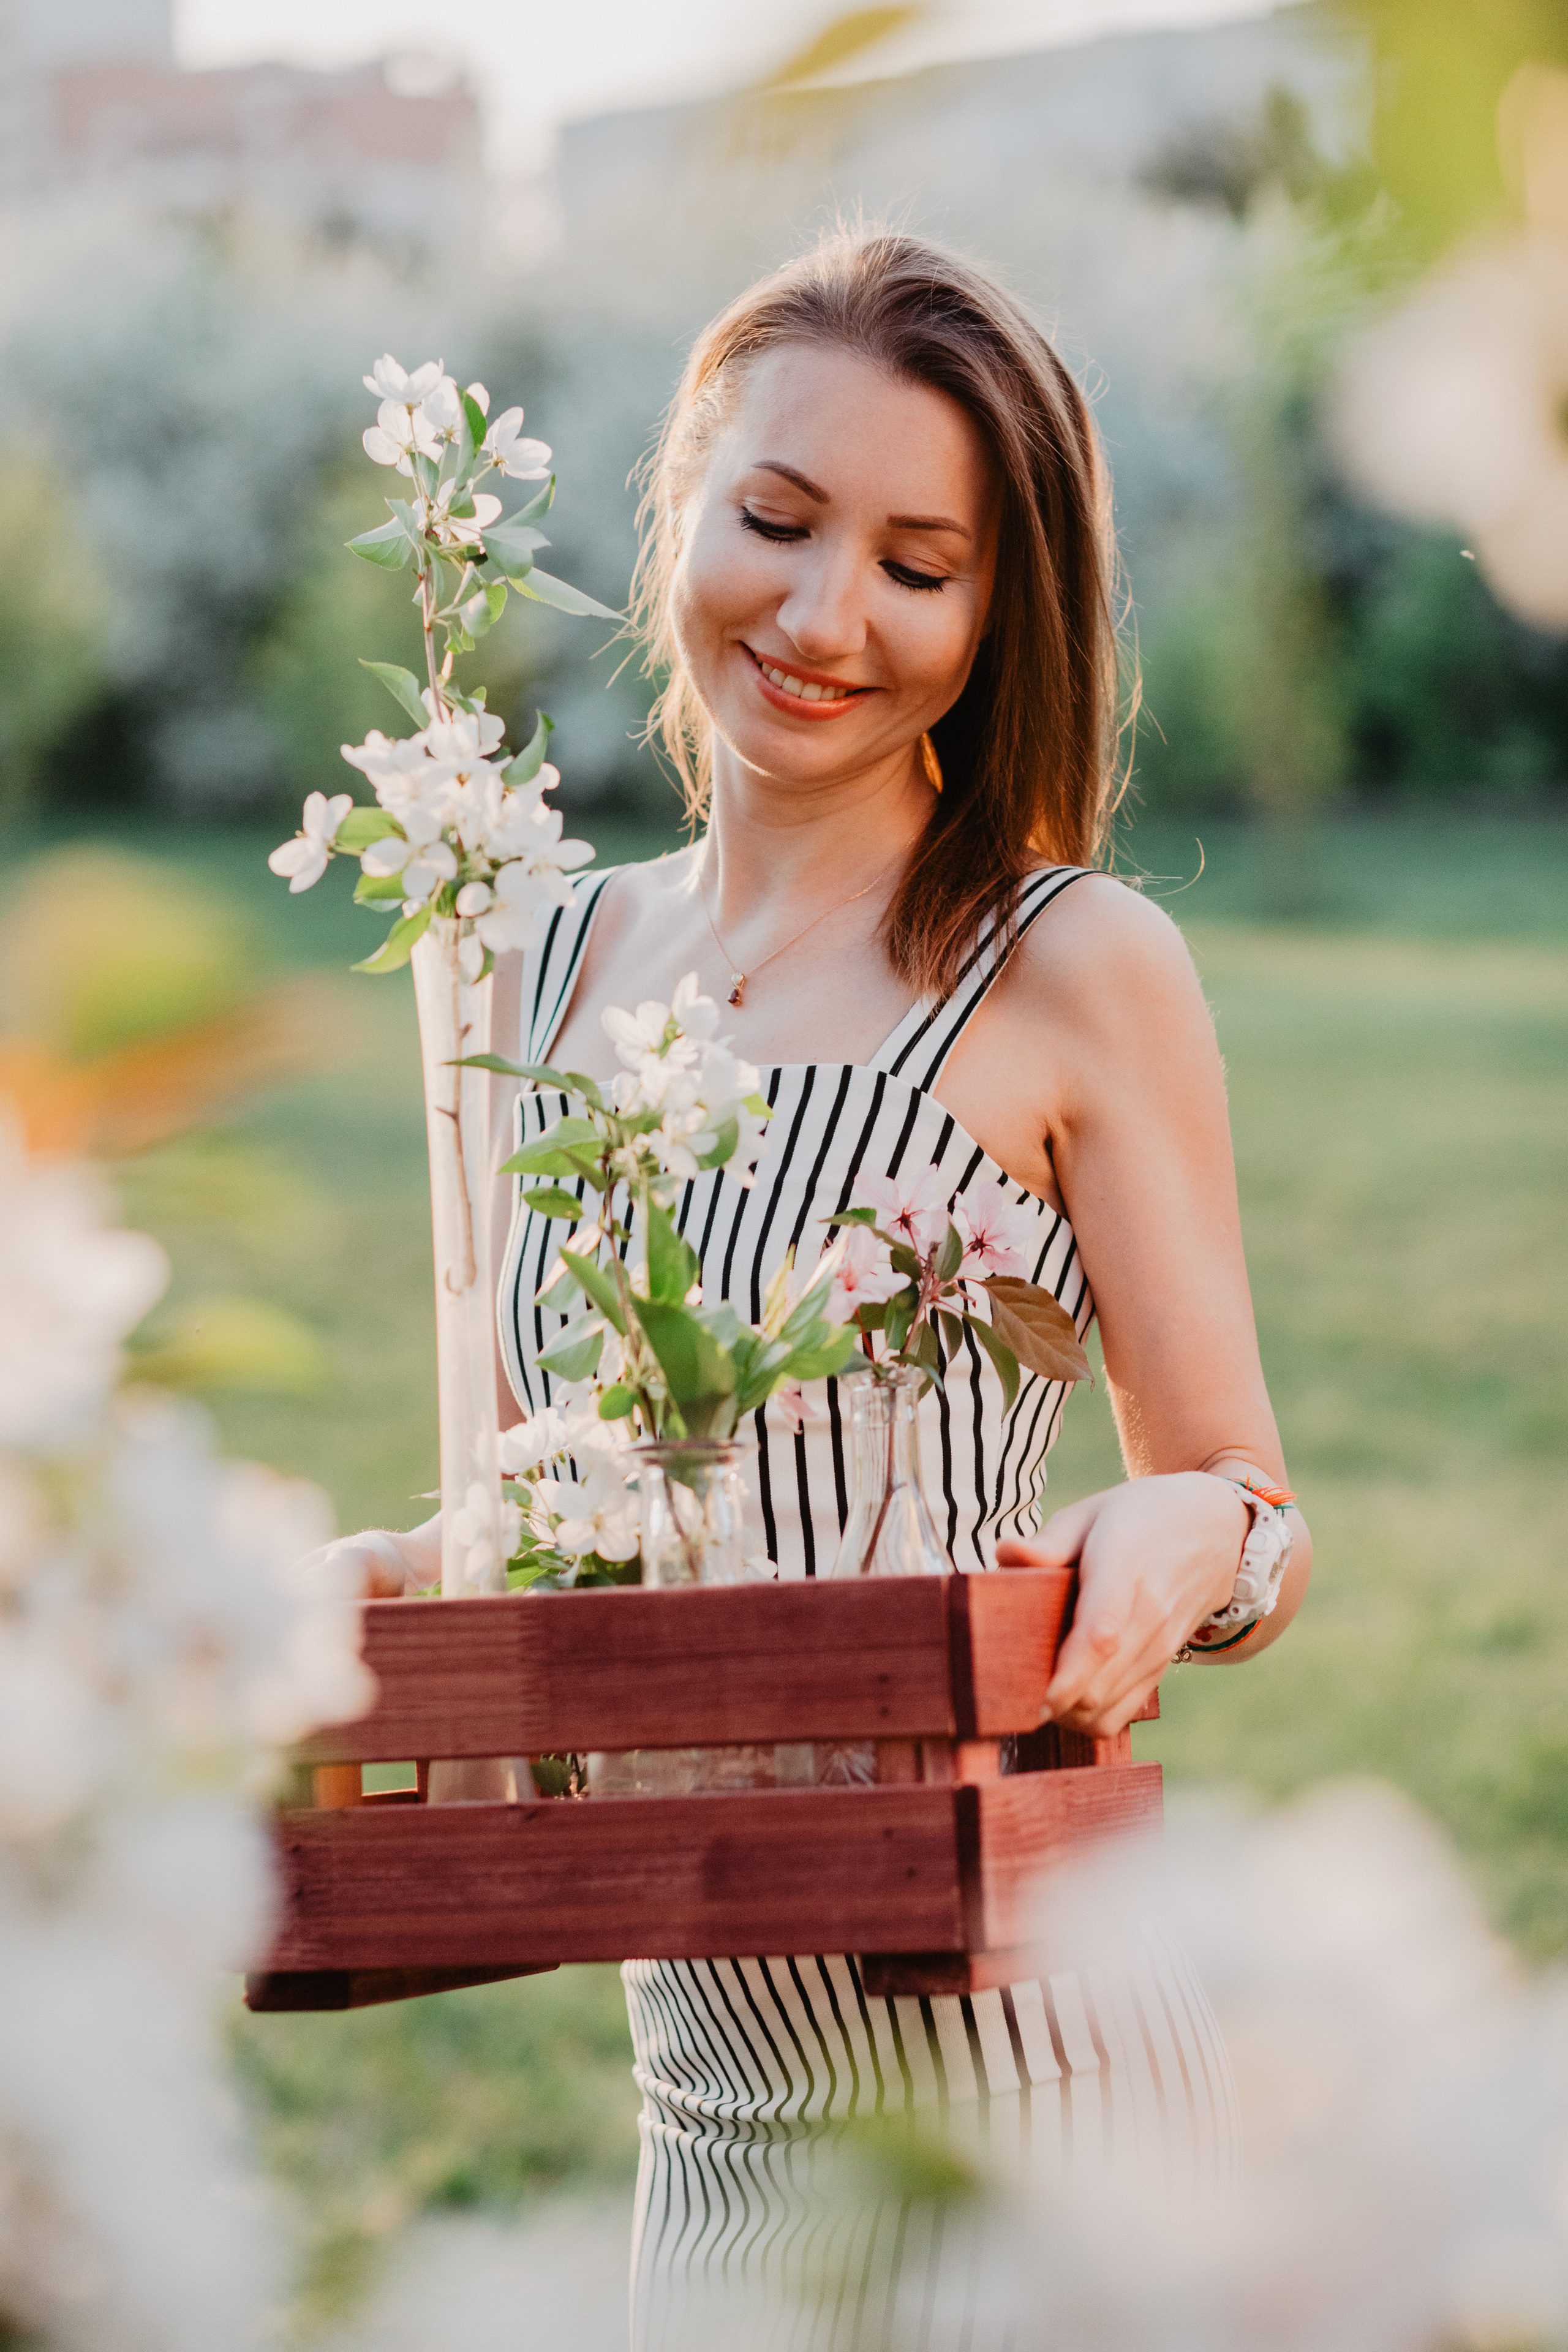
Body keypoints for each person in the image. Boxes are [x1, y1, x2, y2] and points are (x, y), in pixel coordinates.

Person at [338, 231, 1311, 2346]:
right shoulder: (524, 960)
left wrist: (1184, 1540)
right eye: (777, 522)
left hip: (1035, 2087)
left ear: (998, 606)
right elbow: (593, 1539)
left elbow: (1252, 1503)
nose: (823, 617)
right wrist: (405, 1579)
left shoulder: (1071, 967)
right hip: (706, 2103)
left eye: (917, 564)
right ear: (686, 493)